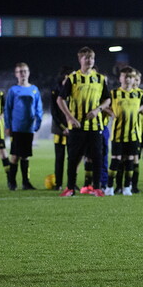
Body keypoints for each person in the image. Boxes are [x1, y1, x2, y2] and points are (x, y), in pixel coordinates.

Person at [56, 47, 111, 197]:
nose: (89, 60)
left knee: (97, 157)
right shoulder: (72, 78)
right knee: (73, 158)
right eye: (86, 58)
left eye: (92, 58)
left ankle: (97, 187)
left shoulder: (100, 79)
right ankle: (70, 188)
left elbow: (108, 99)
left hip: (95, 126)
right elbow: (60, 99)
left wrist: (98, 110)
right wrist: (70, 117)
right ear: (80, 60)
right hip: (77, 125)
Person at [103, 66, 143, 196]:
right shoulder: (114, 93)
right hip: (117, 133)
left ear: (134, 79)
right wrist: (111, 113)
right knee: (115, 160)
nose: (128, 79)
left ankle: (127, 187)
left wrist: (137, 110)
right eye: (125, 77)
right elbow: (103, 105)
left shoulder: (139, 93)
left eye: (130, 77)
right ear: (120, 78)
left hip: (133, 133)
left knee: (130, 160)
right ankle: (110, 187)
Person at [5, 62, 42, 190]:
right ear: (16, 74)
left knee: (25, 156)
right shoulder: (13, 90)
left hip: (29, 127)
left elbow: (38, 108)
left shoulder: (34, 89)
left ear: (29, 72)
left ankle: (26, 182)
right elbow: (7, 109)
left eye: (25, 71)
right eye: (20, 71)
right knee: (15, 155)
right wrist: (8, 125)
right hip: (16, 127)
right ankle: (12, 182)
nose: (23, 74)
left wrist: (38, 122)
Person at [48, 66, 72, 190]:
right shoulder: (55, 91)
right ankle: (58, 183)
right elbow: (54, 113)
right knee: (60, 157)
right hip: (59, 129)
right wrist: (63, 127)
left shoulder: (75, 90)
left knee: (72, 157)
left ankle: (71, 183)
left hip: (73, 129)